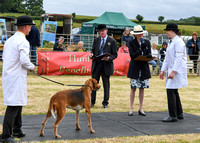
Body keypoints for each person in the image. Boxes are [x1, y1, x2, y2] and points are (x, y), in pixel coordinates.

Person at [0, 15, 35, 143]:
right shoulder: (23, 41)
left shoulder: (10, 40)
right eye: (30, 27)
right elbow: (25, 61)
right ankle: (5, 135)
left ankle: (17, 129)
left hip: (10, 75)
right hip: (16, 76)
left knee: (18, 102)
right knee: (14, 105)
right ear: (25, 27)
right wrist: (32, 67)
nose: (30, 29)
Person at [160, 23, 188, 122]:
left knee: (170, 90)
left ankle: (173, 115)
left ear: (171, 31)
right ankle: (179, 113)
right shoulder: (172, 42)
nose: (166, 33)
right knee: (174, 91)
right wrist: (163, 70)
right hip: (173, 69)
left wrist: (173, 71)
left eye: (167, 31)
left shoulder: (179, 42)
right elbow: (167, 58)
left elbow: (179, 58)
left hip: (177, 70)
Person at [89, 24, 118, 108]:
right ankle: (92, 102)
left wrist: (109, 58)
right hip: (97, 64)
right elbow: (93, 51)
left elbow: (115, 54)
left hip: (106, 65)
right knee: (93, 84)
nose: (101, 32)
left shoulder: (112, 41)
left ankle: (105, 102)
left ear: (106, 30)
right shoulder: (96, 40)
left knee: (106, 85)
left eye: (103, 31)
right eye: (100, 31)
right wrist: (91, 54)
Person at [127, 25, 152, 116]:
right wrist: (140, 49)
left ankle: (141, 108)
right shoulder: (131, 43)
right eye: (138, 35)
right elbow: (132, 55)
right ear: (135, 35)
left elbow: (149, 53)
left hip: (144, 67)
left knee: (142, 89)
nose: (141, 36)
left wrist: (148, 54)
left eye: (141, 34)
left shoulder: (147, 42)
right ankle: (131, 108)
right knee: (133, 88)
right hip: (135, 68)